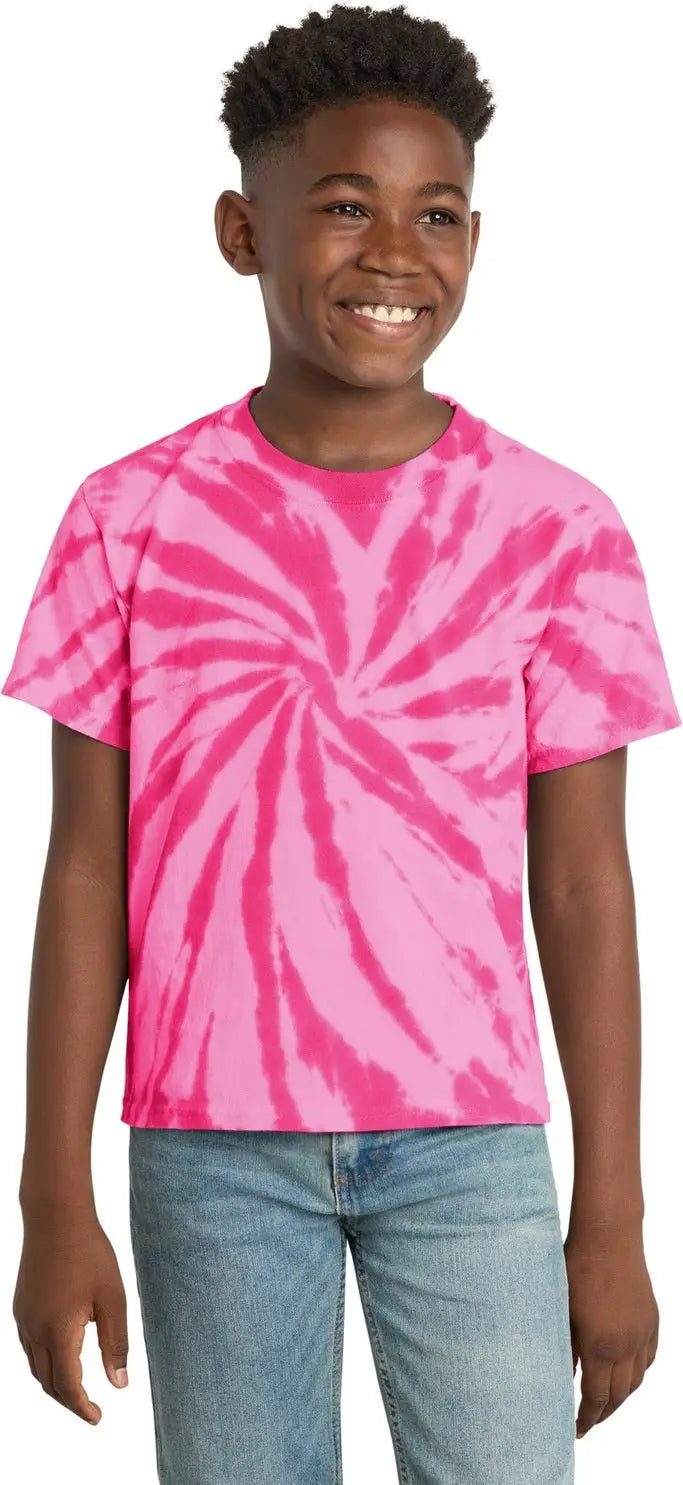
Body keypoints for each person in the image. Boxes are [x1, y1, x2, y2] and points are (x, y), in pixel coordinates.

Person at [3, 4, 680, 1482]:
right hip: (211, 1152)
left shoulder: (559, 530)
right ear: (241, 231)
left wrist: (614, 1211)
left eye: (435, 214)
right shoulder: (129, 518)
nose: (394, 254)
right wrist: (52, 1191)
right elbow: (83, 872)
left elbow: (585, 885)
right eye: (345, 206)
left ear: (476, 239)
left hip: (473, 1148)